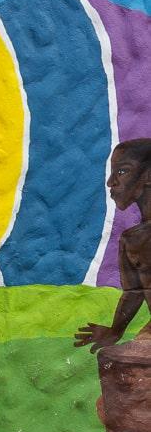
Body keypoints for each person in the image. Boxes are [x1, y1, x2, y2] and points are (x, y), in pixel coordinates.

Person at [74, 138, 151, 352]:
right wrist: (115, 331)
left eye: (122, 171)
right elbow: (134, 292)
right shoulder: (132, 240)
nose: (110, 182)